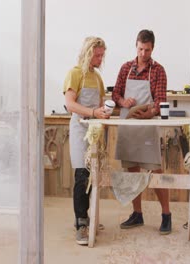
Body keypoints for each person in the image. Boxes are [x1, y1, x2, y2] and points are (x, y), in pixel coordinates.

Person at [112, 29, 171, 235]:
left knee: (155, 171)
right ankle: (137, 214)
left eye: (147, 50)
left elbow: (161, 100)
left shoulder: (158, 71)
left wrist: (151, 113)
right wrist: (122, 101)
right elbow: (116, 93)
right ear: (135, 45)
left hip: (146, 127)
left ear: (152, 48)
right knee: (132, 172)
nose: (143, 53)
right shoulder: (126, 68)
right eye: (140, 49)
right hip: (128, 126)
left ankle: (166, 215)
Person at [63, 36, 110, 245]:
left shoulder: (98, 78)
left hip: (95, 130)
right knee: (82, 175)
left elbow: (100, 104)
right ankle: (81, 224)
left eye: (102, 55)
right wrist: (92, 112)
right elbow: (70, 105)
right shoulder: (75, 74)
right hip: (80, 129)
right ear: (88, 53)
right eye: (97, 55)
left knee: (93, 176)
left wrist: (104, 112)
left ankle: (89, 218)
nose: (100, 58)